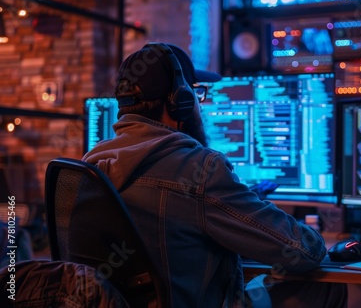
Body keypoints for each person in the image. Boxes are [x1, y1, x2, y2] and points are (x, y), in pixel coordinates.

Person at [82, 42, 347, 307]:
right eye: (197, 94)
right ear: (180, 102)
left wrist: (238, 204)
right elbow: (303, 251)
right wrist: (261, 212)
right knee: (326, 286)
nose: (198, 104)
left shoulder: (89, 167)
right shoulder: (201, 168)